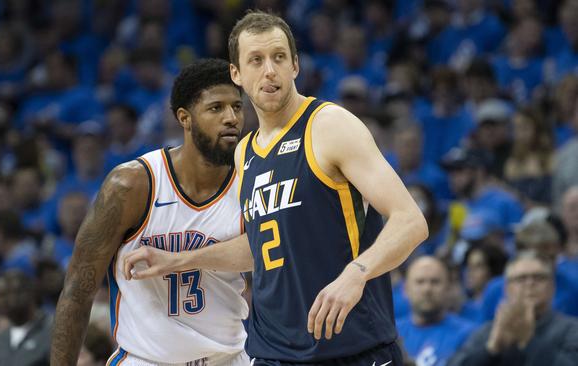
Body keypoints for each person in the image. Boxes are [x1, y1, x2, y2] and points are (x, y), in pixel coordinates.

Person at [123, 11, 428, 364]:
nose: (269, 70)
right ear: (236, 74)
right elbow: (262, 244)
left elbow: (410, 221)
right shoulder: (244, 152)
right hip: (273, 353)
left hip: (351, 348)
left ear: (295, 65)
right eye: (256, 60)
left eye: (279, 57)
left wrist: (356, 273)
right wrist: (179, 260)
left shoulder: (329, 125)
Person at [50, 58, 249, 366]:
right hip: (146, 360)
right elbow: (78, 289)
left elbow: (269, 253)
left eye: (237, 107)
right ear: (185, 118)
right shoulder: (132, 184)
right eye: (216, 108)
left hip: (229, 358)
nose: (231, 118)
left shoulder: (251, 180)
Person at [448, 252, 578, 366]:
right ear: (507, 288)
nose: (529, 284)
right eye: (521, 279)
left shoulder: (571, 330)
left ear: (552, 287)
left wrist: (529, 342)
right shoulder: (488, 333)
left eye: (539, 277)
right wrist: (491, 349)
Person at [397, 257, 476, 366]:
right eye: (420, 282)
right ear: (405, 289)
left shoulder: (469, 334)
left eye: (435, 282)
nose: (427, 289)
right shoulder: (391, 335)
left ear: (448, 288)